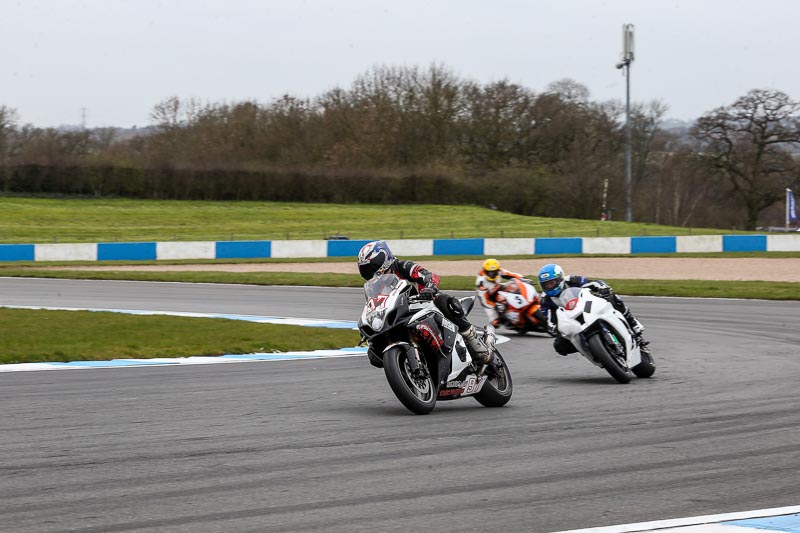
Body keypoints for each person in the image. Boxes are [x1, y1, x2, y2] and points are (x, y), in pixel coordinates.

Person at [357, 240, 496, 364]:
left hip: (426, 304)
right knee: (374, 354)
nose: (369, 272)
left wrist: (429, 288)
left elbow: (428, 275)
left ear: (383, 258)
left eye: (371, 267)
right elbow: (374, 305)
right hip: (402, 314)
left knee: (444, 301)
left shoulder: (402, 266)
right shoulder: (375, 286)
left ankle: (478, 345)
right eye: (365, 269)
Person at [537, 263, 646, 356]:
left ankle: (633, 322)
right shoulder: (545, 299)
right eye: (546, 285)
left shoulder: (572, 280)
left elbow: (593, 283)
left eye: (551, 283)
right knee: (559, 346)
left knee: (612, 297)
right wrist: (553, 328)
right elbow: (547, 319)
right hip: (570, 321)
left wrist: (602, 287)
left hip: (588, 306)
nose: (549, 287)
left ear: (559, 279)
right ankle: (592, 349)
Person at [475, 258, 526, 327]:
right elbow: (485, 301)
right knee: (495, 322)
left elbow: (511, 274)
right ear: (485, 271)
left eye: (494, 272)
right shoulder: (481, 283)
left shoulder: (499, 271)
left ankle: (517, 305)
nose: (492, 274)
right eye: (489, 272)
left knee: (512, 285)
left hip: (497, 286)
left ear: (497, 270)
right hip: (486, 294)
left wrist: (522, 278)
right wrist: (494, 306)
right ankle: (497, 319)